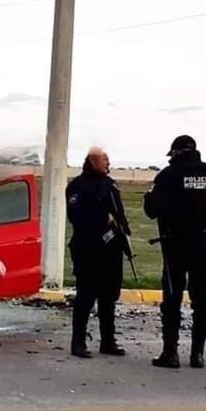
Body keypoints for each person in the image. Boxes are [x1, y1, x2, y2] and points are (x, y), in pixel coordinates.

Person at [144, 135, 206, 369]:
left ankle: (170, 354)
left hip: (174, 246)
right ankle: (197, 355)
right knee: (201, 301)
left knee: (172, 299)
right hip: (204, 245)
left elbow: (152, 210)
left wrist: (148, 196)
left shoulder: (168, 175)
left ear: (175, 153)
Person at [66, 147, 130, 358]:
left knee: (109, 296)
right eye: (104, 159)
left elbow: (119, 212)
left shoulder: (110, 184)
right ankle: (78, 343)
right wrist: (104, 217)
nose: (108, 162)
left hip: (112, 249)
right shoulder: (77, 186)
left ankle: (108, 341)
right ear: (93, 161)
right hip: (88, 248)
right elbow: (76, 214)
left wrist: (122, 229)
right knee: (86, 296)